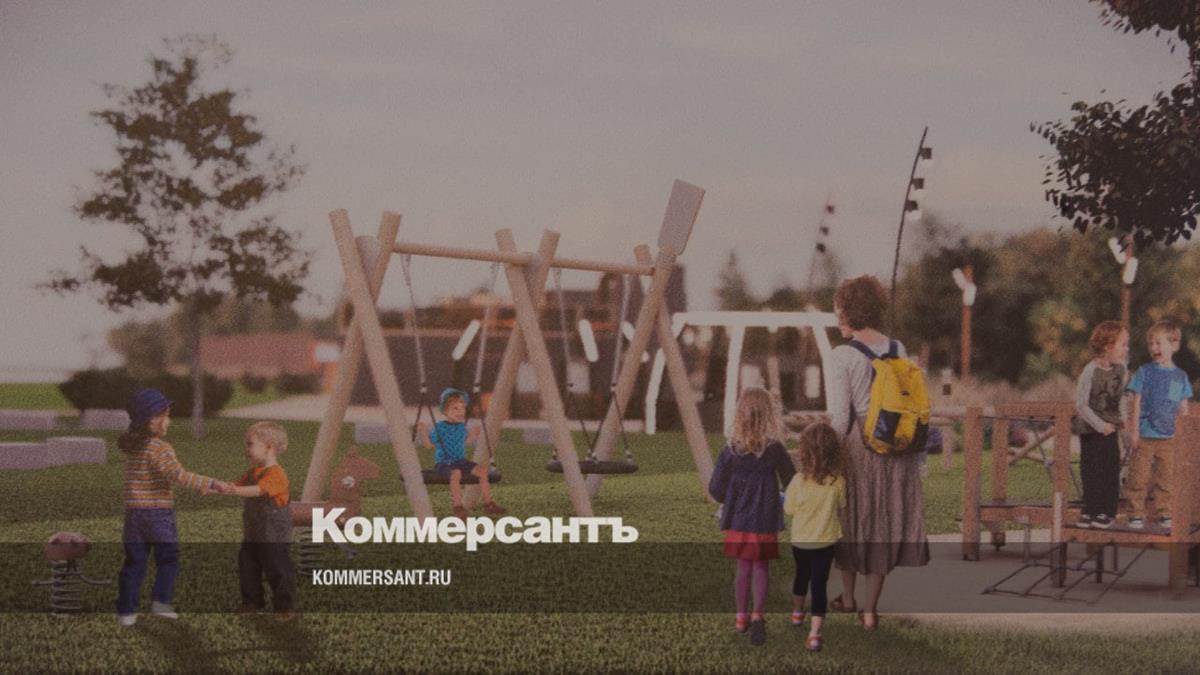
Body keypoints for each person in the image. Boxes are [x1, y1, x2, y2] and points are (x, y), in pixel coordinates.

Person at [825, 275, 929, 631]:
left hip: (860, 451)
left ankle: (848, 597)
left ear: (849, 312)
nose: (837, 318)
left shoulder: (842, 356)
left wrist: (825, 456)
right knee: (881, 527)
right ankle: (869, 610)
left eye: (838, 311)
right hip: (896, 450)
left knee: (852, 522)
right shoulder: (897, 348)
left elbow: (841, 419)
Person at [116, 388, 227, 627]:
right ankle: (160, 603)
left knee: (134, 562)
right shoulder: (160, 448)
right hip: (157, 515)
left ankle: (126, 611)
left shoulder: (133, 448)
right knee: (168, 559)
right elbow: (178, 475)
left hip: (134, 516)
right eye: (165, 416)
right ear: (151, 420)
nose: (169, 421)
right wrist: (210, 483)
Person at [707, 386, 795, 647]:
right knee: (761, 567)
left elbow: (715, 489)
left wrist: (732, 498)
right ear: (769, 414)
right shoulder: (775, 450)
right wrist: (779, 496)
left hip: (739, 520)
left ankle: (740, 617)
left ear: (740, 414)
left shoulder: (730, 451)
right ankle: (758, 616)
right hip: (765, 519)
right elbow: (791, 482)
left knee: (743, 567)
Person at [217, 421, 297, 620]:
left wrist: (234, 490)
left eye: (250, 444)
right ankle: (251, 602)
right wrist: (218, 488)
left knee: (278, 569)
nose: (246, 449)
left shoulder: (277, 474)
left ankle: (284, 606)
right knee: (248, 567)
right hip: (253, 533)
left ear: (269, 447)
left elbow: (259, 490)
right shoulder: (253, 473)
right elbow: (237, 485)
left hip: (274, 536)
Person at [784, 422, 846, 653]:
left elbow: (789, 509)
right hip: (826, 542)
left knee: (801, 577)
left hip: (801, 541)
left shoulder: (797, 481)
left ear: (804, 451)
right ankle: (814, 634)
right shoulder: (838, 481)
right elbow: (842, 505)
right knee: (819, 585)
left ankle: (797, 613)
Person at [1125, 320, 1193, 530]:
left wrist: (1184, 436)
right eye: (1151, 344)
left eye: (1158, 343)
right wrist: (1134, 431)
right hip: (1144, 435)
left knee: (1167, 478)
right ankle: (1135, 512)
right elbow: (1136, 402)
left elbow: (1183, 408)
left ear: (1174, 345)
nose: (1154, 348)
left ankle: (1166, 512)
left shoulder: (1181, 376)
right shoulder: (1144, 372)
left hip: (1170, 438)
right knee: (1138, 476)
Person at [1073, 320, 1129, 529]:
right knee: (1091, 470)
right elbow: (1081, 405)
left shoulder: (1121, 369)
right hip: (1091, 430)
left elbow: (1121, 398)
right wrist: (1100, 425)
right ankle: (1090, 509)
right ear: (1108, 346)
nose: (1126, 349)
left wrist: (1123, 420)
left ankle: (1106, 511)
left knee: (1110, 469)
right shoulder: (1090, 372)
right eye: (1123, 344)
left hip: (1110, 429)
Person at [417, 388, 505, 519]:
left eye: (462, 408)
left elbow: (466, 442)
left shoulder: (461, 427)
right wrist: (423, 432)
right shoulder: (440, 427)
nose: (460, 411)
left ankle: (489, 504)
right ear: (445, 411)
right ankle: (458, 507)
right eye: (455, 408)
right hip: (444, 463)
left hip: (461, 462)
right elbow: (429, 445)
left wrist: (473, 434)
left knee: (482, 471)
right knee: (456, 473)